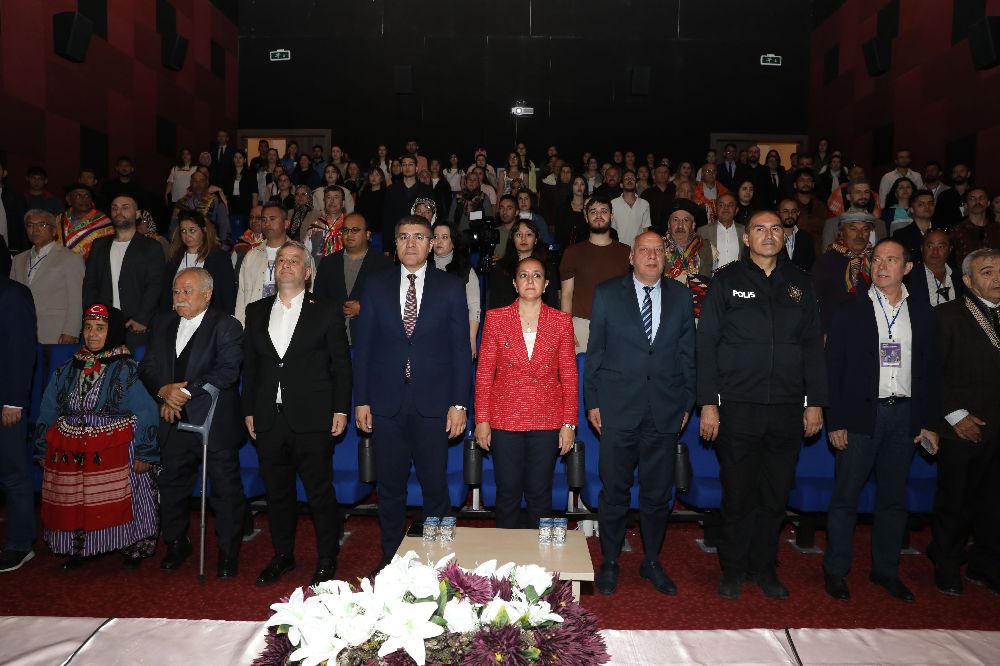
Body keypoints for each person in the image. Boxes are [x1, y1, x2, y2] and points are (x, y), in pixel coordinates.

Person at [697, 210, 827, 601]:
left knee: (775, 494)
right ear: (746, 238)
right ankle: (734, 568)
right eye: (759, 229)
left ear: (784, 237)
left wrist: (815, 402)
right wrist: (708, 402)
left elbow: (812, 347)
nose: (768, 235)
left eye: (775, 229)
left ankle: (765, 567)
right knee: (738, 494)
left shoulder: (801, 283)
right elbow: (707, 345)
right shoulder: (726, 280)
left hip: (787, 407)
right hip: (738, 406)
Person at [823, 239, 941, 603]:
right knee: (845, 498)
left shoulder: (923, 313)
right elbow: (832, 369)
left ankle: (886, 571)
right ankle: (836, 571)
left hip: (903, 415)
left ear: (908, 268)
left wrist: (928, 421)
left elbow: (931, 372)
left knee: (893, 500)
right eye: (876, 259)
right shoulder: (849, 309)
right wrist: (835, 420)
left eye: (891, 260)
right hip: (860, 414)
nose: (882, 266)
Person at [353, 215, 472, 571]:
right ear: (394, 243)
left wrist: (459, 404)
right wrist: (362, 400)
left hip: (434, 404)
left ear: (431, 244)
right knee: (390, 488)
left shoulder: (451, 287)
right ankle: (391, 559)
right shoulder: (375, 286)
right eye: (404, 236)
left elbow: (460, 351)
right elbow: (364, 348)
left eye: (419, 237)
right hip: (386, 403)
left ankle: (442, 563)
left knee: (435, 487)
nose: (410, 243)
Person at [585, 230, 696, 596]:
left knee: (657, 494)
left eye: (658, 250)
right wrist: (592, 401)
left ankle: (651, 561)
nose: (651, 256)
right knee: (614, 492)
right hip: (617, 408)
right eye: (644, 250)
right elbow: (596, 352)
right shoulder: (607, 293)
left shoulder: (681, 296)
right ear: (631, 257)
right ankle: (610, 560)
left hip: (665, 409)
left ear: (665, 257)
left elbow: (688, 354)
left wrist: (688, 402)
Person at [243, 241, 352, 586]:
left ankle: (326, 558)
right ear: (274, 269)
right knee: (277, 493)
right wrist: (249, 410)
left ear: (307, 272)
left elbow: (341, 365)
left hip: (313, 417)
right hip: (268, 417)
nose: (286, 264)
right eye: (281, 260)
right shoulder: (255, 311)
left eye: (294, 260)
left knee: (319, 492)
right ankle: (283, 555)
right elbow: (251, 367)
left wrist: (340, 408)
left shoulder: (326, 309)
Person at [34, 303, 160, 570]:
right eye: (88, 327)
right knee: (76, 499)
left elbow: (147, 411)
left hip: (116, 449)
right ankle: (81, 548)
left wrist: (145, 453)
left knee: (126, 497)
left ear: (112, 332)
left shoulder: (127, 369)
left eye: (100, 328)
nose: (92, 334)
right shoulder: (68, 368)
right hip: (73, 450)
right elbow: (48, 408)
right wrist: (43, 447)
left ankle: (132, 547)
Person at [139, 268, 246, 578]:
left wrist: (182, 394)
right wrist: (164, 392)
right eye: (176, 291)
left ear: (207, 294)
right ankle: (176, 543)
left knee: (225, 489)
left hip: (214, 422)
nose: (180, 297)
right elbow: (147, 367)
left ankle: (228, 552)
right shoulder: (162, 323)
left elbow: (227, 371)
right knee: (171, 485)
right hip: (171, 419)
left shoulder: (226, 325)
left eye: (187, 291)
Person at [475, 254, 576, 529]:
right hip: (504, 419)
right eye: (523, 275)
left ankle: (539, 557)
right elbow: (484, 374)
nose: (530, 280)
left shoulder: (561, 321)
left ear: (546, 284)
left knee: (540, 495)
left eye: (536, 275)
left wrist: (569, 424)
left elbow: (569, 376)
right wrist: (482, 420)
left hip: (547, 420)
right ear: (514, 283)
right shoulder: (495, 319)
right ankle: (506, 556)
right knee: (507, 494)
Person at [928, 248, 1000, 596]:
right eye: (987, 272)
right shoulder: (947, 315)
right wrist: (954, 414)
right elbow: (929, 371)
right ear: (968, 281)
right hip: (961, 425)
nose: (997, 279)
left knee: (994, 503)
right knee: (955, 502)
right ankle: (946, 562)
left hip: (999, 427)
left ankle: (985, 563)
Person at [82, 195, 165, 352]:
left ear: (138, 214)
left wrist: (142, 319)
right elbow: (90, 284)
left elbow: (155, 285)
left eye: (125, 207)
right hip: (103, 326)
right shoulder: (99, 245)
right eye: (114, 208)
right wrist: (91, 317)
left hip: (136, 327)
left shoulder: (152, 247)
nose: (119, 212)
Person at [560, 196, 632, 352]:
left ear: (611, 216)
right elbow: (566, 294)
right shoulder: (572, 252)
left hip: (617, 325)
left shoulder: (626, 252)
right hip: (581, 325)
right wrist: (566, 328)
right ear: (586, 218)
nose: (598, 215)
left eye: (604, 211)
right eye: (593, 211)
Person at [0, 275, 37, 572]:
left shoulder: (12, 294)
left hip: (5, 404)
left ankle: (20, 544)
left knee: (13, 475)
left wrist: (14, 401)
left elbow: (21, 350)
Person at [313, 212, 392, 343]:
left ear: (368, 235)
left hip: (371, 339)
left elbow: (391, 303)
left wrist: (365, 308)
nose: (349, 234)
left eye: (355, 230)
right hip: (334, 339)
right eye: (345, 230)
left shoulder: (384, 264)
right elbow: (318, 301)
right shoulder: (328, 263)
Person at [10, 209, 85, 344]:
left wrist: (71, 331)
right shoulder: (18, 259)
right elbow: (12, 298)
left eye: (42, 224)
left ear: (54, 231)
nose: (35, 229)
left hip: (55, 332)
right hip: (21, 331)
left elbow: (77, 299)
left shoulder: (71, 258)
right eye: (30, 225)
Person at [235, 204, 315, 325]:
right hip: (256, 323)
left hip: (291, 321)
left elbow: (311, 290)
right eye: (264, 219)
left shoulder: (301, 254)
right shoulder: (251, 256)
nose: (267, 223)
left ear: (286, 223)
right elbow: (242, 295)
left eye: (272, 219)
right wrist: (240, 326)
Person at [161, 211, 237, 314]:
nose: (187, 235)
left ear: (204, 230)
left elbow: (228, 295)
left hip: (209, 318)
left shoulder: (219, 258)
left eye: (192, 230)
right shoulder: (175, 258)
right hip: (176, 317)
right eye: (183, 231)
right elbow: (165, 294)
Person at [813, 212, 876, 334]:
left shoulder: (876, 260)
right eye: (853, 229)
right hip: (835, 331)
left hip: (871, 330)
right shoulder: (826, 262)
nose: (860, 235)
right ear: (841, 233)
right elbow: (815, 302)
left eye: (865, 229)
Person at [431, 220, 481, 355]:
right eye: (435, 237)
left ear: (453, 242)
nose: (439, 241)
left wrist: (471, 339)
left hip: (455, 333)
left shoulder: (465, 270)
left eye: (444, 237)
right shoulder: (422, 267)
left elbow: (474, 307)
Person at [489, 218, 558, 310]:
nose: (523, 238)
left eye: (529, 234)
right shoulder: (501, 267)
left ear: (536, 239)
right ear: (513, 239)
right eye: (518, 234)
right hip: (506, 316)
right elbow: (495, 302)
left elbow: (552, 302)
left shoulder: (547, 267)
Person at [663, 203, 713, 318]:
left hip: (699, 312)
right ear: (669, 225)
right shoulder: (658, 247)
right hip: (667, 310)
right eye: (675, 220)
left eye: (686, 220)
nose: (680, 225)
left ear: (693, 225)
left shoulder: (707, 247)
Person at [822, 177, 888, 252]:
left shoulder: (880, 225)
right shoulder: (832, 224)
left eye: (866, 192)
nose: (863, 196)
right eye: (858, 192)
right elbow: (826, 254)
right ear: (848, 197)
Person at [381, 155, 434, 248]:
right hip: (397, 240)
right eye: (404, 165)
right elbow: (386, 218)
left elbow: (432, 218)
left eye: (410, 164)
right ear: (401, 168)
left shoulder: (427, 190)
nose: (407, 167)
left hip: (419, 239)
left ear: (416, 168)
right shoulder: (391, 190)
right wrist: (386, 246)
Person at [172, 171, 232, 250]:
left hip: (209, 246)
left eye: (201, 181)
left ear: (207, 183)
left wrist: (223, 249)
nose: (198, 184)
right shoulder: (182, 203)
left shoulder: (216, 202)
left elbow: (224, 228)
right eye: (195, 181)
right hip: (185, 245)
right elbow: (173, 228)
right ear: (190, 184)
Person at [904, 229, 963, 308]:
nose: (935, 251)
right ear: (922, 248)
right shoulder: (908, 277)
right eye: (930, 246)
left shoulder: (960, 277)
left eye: (941, 246)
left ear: (950, 249)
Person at [57, 183, 113, 261]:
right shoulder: (59, 220)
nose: (84, 199)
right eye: (78, 196)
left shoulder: (104, 223)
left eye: (87, 196)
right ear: (68, 199)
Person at [950, 188, 1000, 269]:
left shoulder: (996, 229)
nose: (977, 201)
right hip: (965, 275)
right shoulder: (956, 230)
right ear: (966, 205)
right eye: (972, 199)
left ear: (988, 203)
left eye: (981, 198)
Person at [699, 192, 746, 271]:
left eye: (730, 205)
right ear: (715, 209)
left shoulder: (745, 231)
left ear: (736, 210)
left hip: (738, 277)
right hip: (711, 277)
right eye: (721, 205)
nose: (726, 208)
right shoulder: (703, 232)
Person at [302, 187, 346, 265]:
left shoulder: (350, 226)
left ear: (343, 203)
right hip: (319, 268)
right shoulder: (315, 226)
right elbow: (306, 253)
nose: (332, 201)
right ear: (324, 202)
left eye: (336, 197)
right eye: (328, 197)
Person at [891, 189, 936, 262]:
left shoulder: (942, 231)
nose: (927, 206)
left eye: (930, 203)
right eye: (921, 204)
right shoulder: (901, 235)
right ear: (911, 209)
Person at [611, 169, 651, 250]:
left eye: (632, 178)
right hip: (618, 248)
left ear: (636, 184)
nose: (629, 180)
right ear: (621, 185)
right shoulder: (612, 203)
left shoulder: (645, 204)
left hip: (638, 249)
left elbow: (645, 230)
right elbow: (611, 229)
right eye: (626, 178)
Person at [777, 198, 816, 271]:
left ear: (798, 213)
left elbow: (811, 267)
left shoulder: (806, 238)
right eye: (785, 211)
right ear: (778, 213)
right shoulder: (772, 237)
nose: (790, 215)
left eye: (794, 211)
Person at [233, 204, 264, 276]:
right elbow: (233, 266)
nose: (253, 221)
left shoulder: (271, 241)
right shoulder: (242, 241)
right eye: (251, 217)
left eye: (258, 218)